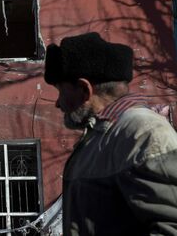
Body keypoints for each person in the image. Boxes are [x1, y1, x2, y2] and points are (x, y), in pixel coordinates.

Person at [44, 32, 177, 236]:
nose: (57, 103)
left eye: (61, 91)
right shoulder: (102, 136)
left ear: (84, 89)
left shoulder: (143, 132)